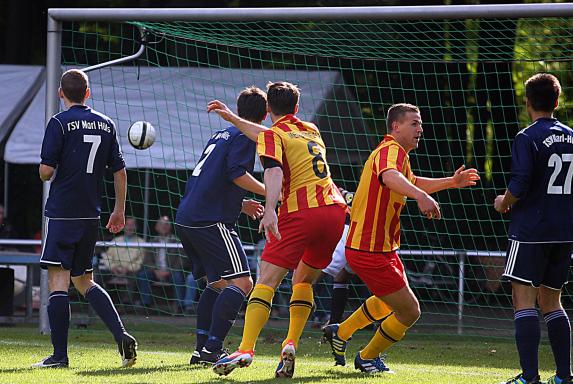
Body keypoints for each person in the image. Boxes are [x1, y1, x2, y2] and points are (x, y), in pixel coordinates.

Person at [322, 103, 479, 373]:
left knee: (388, 301)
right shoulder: (390, 149)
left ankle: (342, 331)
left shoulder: (398, 155)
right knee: (409, 311)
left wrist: (451, 183)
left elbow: (412, 181)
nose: (421, 129)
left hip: (380, 247)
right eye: (414, 123)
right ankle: (367, 357)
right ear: (396, 126)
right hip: (368, 248)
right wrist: (420, 197)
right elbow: (391, 177)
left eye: (420, 124)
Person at [208, 81, 347, 378]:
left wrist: (270, 208)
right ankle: (290, 343)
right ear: (296, 107)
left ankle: (245, 348)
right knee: (304, 281)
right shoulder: (311, 129)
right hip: (334, 212)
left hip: (300, 212)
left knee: (266, 281)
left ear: (268, 108)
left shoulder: (272, 136)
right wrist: (233, 119)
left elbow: (273, 169)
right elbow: (268, 134)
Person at [34, 69, 137, 368]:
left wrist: (52, 166)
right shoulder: (107, 124)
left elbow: (45, 171)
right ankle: (121, 335)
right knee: (84, 280)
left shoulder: (59, 123)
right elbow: (120, 171)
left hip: (64, 212)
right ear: (88, 93)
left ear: (60, 93)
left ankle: (59, 357)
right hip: (91, 214)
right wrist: (118, 210)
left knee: (58, 281)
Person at [175, 86, 267, 366]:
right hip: (209, 221)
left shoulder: (220, 135)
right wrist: (269, 193)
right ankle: (213, 349)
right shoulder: (245, 135)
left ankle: (201, 349)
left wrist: (242, 204)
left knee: (217, 284)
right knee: (243, 282)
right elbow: (237, 174)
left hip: (188, 218)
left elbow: (211, 181)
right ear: (265, 116)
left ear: (239, 110)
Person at [494, 74, 573, 384]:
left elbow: (521, 182)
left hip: (531, 230)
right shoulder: (571, 136)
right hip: (564, 231)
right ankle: (564, 376)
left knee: (523, 300)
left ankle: (529, 377)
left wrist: (503, 201)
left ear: (527, 102)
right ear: (557, 101)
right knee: (553, 301)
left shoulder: (526, 137)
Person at [136, 215, 189, 312]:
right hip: (155, 271)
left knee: (178, 276)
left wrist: (169, 271)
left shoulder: (177, 241)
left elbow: (182, 260)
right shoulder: (152, 242)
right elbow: (147, 260)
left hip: (172, 271)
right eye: (161, 224)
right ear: (156, 227)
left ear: (170, 226)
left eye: (166, 224)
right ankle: (145, 304)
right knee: (143, 275)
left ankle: (179, 306)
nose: (164, 226)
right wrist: (155, 270)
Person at [104, 217, 145, 281]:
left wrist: (128, 269)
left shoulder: (141, 242)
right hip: (113, 270)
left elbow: (140, 261)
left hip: (131, 272)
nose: (129, 227)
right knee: (100, 275)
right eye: (127, 225)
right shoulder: (116, 240)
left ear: (136, 227)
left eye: (132, 225)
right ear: (123, 226)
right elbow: (107, 256)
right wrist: (113, 267)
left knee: (136, 278)